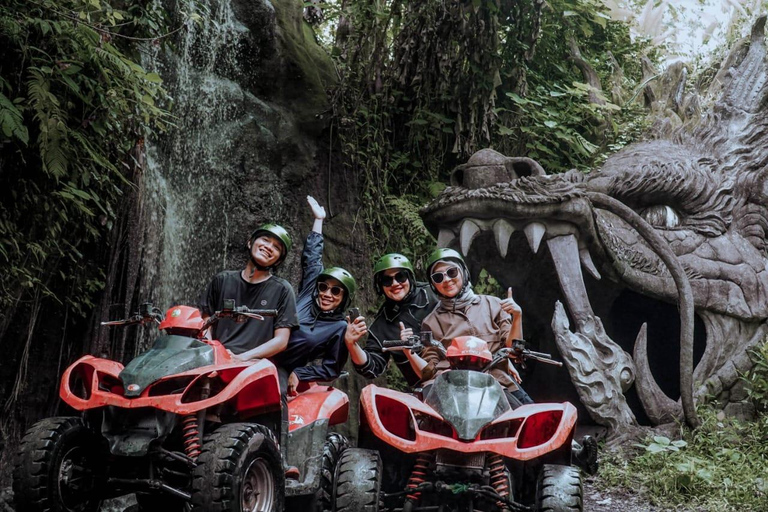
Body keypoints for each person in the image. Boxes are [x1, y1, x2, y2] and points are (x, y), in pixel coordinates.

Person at [417, 247, 598, 474]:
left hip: (495, 380)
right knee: (420, 419)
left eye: (452, 272)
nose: (446, 280)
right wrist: (422, 363)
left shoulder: (493, 304)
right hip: (450, 384)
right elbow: (430, 362)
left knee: (533, 415)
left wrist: (517, 317)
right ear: (433, 284)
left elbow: (512, 348)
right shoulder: (430, 321)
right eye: (438, 277)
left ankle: (573, 452)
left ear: (463, 272)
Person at [197, 221, 299, 474]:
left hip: (258, 360)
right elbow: (204, 320)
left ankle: (278, 457)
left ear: (279, 258)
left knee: (277, 385)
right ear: (250, 242)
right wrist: (214, 348)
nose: (268, 247)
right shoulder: (222, 280)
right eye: (265, 240)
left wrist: (241, 357)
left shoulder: (282, 290)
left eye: (276, 247)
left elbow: (281, 340)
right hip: (216, 355)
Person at [274, 196, 366, 396]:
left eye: (335, 291)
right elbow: (312, 257)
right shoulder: (309, 293)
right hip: (259, 349)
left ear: (344, 298)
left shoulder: (340, 327)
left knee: (272, 397)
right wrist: (319, 220)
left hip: (280, 369)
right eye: (324, 287)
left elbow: (331, 368)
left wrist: (300, 373)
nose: (327, 294)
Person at [344, 253, 437, 387]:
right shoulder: (382, 324)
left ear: (410, 277)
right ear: (380, 286)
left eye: (400, 277)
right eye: (387, 280)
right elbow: (371, 368)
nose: (395, 284)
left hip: (460, 372)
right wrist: (351, 344)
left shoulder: (433, 293)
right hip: (425, 391)